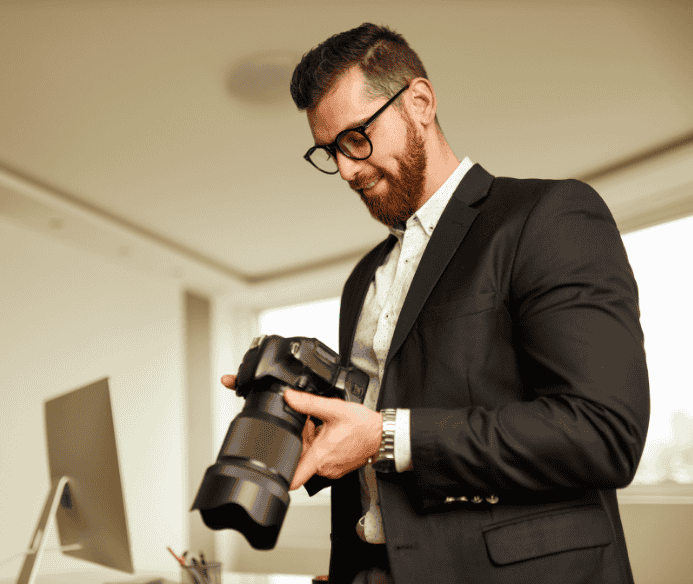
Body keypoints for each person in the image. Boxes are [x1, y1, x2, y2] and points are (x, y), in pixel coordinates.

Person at [222, 22, 649, 584]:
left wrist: (386, 436)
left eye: (356, 138)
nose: (346, 169)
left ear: (419, 102)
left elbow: (603, 433)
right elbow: (375, 450)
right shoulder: (363, 278)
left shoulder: (548, 216)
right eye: (330, 151)